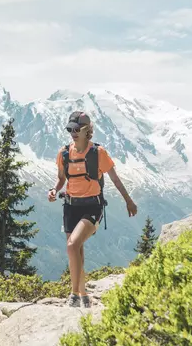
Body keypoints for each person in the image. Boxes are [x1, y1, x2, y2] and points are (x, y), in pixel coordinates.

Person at [47, 111, 138, 308]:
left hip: (92, 206)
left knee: (72, 245)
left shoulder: (98, 153)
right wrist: (54, 190)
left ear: (88, 130)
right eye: (70, 129)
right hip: (70, 207)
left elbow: (115, 179)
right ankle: (84, 295)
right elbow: (62, 178)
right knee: (76, 249)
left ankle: (73, 295)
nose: (73, 133)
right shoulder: (64, 153)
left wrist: (128, 201)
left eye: (76, 129)